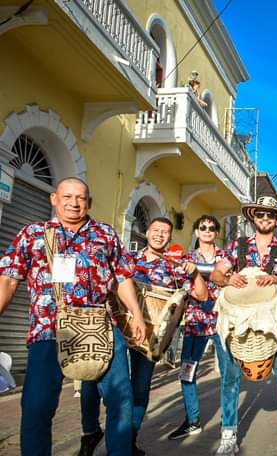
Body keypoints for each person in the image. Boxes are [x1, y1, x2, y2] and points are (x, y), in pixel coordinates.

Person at [0, 177, 146, 456]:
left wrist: (136, 315)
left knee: (120, 400)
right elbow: (8, 280)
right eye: (67, 197)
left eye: (80, 198)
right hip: (49, 330)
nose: (74, 203)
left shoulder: (105, 234)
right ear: (53, 198)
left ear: (89, 202)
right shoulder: (32, 234)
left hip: (101, 328)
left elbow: (124, 278)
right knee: (36, 405)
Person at [81, 216, 208, 455]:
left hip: (152, 337)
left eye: (165, 232)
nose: (160, 234)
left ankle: (128, 440)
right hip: (119, 328)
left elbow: (202, 296)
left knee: (140, 389)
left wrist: (194, 273)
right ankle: (90, 431)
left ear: (170, 237)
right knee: (97, 378)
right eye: (156, 230)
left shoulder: (176, 264)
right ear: (146, 232)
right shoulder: (128, 258)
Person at [210, 196, 277, 455]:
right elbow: (217, 274)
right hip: (237, 319)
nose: (265, 218)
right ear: (254, 217)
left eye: (270, 215)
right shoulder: (237, 245)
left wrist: (275, 278)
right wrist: (228, 279)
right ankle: (228, 436)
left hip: (274, 319)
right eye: (261, 214)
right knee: (230, 379)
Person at [168, 215, 226, 440]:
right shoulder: (187, 258)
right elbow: (182, 286)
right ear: (196, 231)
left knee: (228, 374)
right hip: (195, 322)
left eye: (212, 227)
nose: (207, 230)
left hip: (222, 322)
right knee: (187, 373)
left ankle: (228, 421)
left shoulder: (225, 257)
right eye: (203, 227)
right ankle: (192, 421)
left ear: (216, 232)